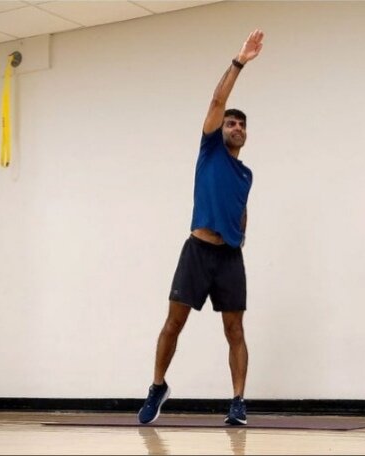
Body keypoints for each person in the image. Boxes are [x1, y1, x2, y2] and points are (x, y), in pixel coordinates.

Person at [138, 29, 265, 426]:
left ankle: (238, 402)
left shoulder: (246, 174)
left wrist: (241, 235)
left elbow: (241, 210)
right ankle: (157, 387)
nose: (236, 127)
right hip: (197, 251)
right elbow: (217, 100)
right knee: (173, 323)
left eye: (241, 124)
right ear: (220, 128)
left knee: (235, 330)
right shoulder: (210, 149)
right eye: (231, 123)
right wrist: (239, 62)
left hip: (229, 257)